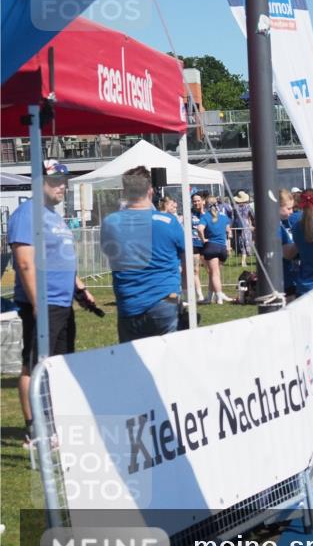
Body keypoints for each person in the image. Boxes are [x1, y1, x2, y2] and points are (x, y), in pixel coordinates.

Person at [8, 164, 95, 443]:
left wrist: (79, 287)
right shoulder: (27, 214)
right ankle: (34, 429)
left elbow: (60, 257)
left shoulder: (54, 216)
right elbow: (24, 262)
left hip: (62, 304)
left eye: (64, 181)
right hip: (42, 304)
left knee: (58, 366)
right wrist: (37, 303)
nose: (63, 186)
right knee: (34, 365)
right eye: (56, 181)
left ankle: (54, 424)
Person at [100, 166, 187, 342]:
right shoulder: (169, 222)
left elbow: (110, 254)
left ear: (125, 191)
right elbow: (187, 260)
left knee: (133, 358)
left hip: (129, 303)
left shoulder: (110, 223)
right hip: (165, 300)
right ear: (150, 190)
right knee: (170, 355)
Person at [197, 196, 233, 303]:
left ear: (206, 204)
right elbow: (229, 231)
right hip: (222, 248)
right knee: (214, 274)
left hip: (211, 246)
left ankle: (219, 298)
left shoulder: (205, 216)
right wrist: (228, 245)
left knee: (214, 274)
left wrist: (203, 239)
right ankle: (209, 297)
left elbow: (199, 229)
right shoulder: (223, 216)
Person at [232, 190, 255, 268]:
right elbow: (252, 216)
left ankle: (243, 260)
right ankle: (243, 261)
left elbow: (233, 218)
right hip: (246, 226)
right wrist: (252, 224)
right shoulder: (248, 207)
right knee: (246, 242)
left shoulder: (234, 207)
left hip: (238, 226)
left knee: (241, 242)